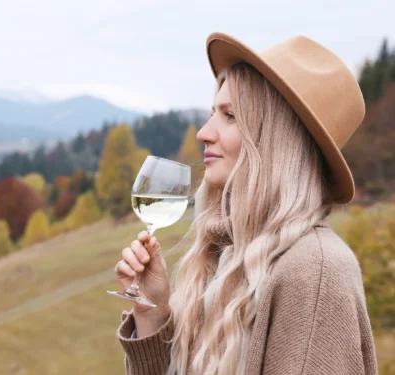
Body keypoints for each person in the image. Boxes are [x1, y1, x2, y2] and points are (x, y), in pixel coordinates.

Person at [114, 32, 379, 375]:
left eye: (231, 116)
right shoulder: (227, 256)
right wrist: (152, 312)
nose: (203, 133)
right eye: (214, 112)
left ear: (274, 139)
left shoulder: (315, 272)